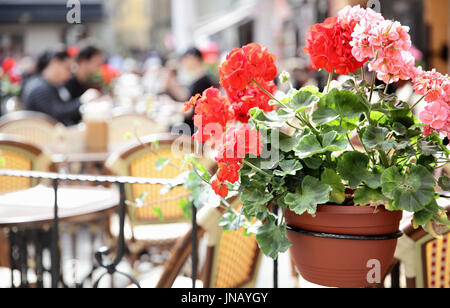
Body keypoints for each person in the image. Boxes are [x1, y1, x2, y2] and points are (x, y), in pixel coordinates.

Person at [21, 49, 94, 126]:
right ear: (55, 63)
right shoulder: (39, 87)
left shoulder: (46, 84)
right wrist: (82, 100)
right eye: (67, 68)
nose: (69, 74)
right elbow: (56, 114)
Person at [179, 48, 216, 133]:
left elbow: (191, 111)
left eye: (186, 59)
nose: (184, 62)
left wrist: (172, 107)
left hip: (194, 130)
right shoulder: (199, 79)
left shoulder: (202, 81)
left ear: (194, 59)